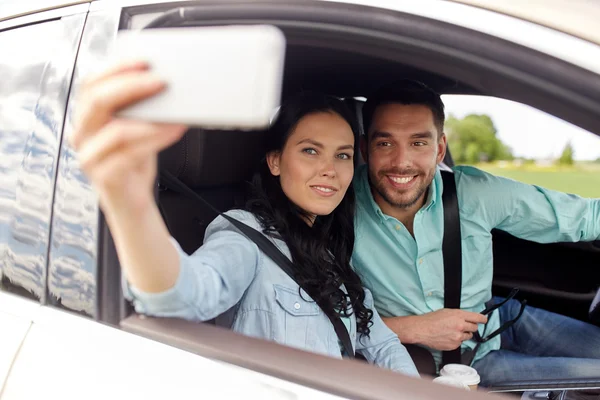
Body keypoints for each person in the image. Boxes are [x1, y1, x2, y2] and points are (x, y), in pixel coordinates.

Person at [69, 60, 419, 376]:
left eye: (342, 155)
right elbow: (183, 295)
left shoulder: (330, 252)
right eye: (310, 151)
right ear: (275, 161)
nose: (330, 170)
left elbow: (383, 344)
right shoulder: (245, 237)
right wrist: (131, 203)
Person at [351, 79, 600, 386]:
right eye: (385, 143)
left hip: (494, 317)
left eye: (418, 143)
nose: (402, 162)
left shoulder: (475, 192)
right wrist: (410, 329)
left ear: (440, 148)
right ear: (364, 148)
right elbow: (315, 321)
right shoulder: (337, 211)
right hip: (455, 367)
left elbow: (584, 217)